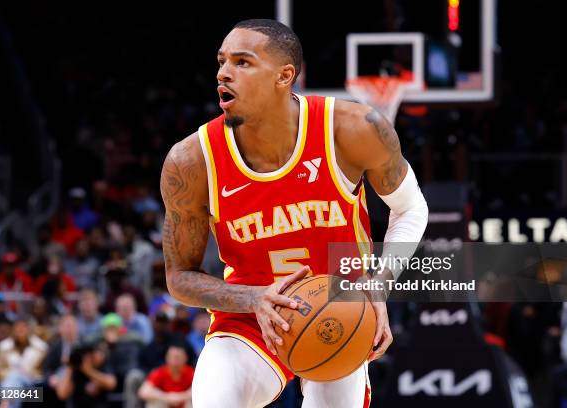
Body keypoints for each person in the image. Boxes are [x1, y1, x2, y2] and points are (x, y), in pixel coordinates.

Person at [160, 19, 428, 408]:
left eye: (242, 62)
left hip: (341, 305)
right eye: (221, 61)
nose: (223, 72)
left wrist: (379, 282)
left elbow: (411, 207)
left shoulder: (352, 128)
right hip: (248, 318)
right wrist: (255, 299)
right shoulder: (191, 162)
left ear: (284, 76)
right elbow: (179, 277)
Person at [54, 342, 117, 408]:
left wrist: (88, 371)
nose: (86, 358)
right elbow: (62, 395)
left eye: (89, 354)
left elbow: (112, 383)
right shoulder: (75, 370)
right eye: (83, 355)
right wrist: (69, 368)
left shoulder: (102, 366)